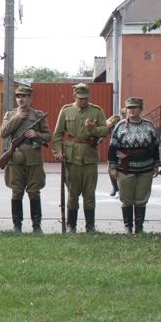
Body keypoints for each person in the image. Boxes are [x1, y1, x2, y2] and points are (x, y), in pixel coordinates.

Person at [52, 82, 110, 233]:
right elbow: (58, 134)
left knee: (89, 193)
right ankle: (71, 226)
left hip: (89, 157)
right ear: (75, 96)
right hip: (71, 158)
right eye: (80, 98)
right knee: (72, 193)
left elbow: (105, 130)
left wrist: (93, 129)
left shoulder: (97, 111)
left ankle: (90, 226)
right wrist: (57, 151)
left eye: (85, 98)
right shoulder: (66, 111)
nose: (83, 101)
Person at [0, 83, 51, 233]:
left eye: (24, 96)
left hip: (34, 159)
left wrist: (37, 135)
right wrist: (17, 118)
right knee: (16, 192)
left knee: (34, 192)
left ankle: (36, 226)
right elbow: (3, 133)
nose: (20, 99)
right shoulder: (10, 115)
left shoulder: (38, 115)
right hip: (15, 159)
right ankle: (17, 225)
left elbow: (48, 136)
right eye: (18, 96)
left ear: (30, 98)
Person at [107, 97, 161, 233]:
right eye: (129, 108)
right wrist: (112, 167)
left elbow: (155, 147)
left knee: (141, 198)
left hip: (146, 167)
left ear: (141, 109)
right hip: (126, 168)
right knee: (126, 198)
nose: (132, 110)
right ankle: (128, 227)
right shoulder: (120, 126)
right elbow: (113, 148)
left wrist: (156, 165)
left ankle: (139, 227)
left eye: (135, 107)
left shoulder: (149, 125)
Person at [105, 109, 127, 196]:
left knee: (124, 168)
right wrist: (108, 124)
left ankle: (123, 189)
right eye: (122, 114)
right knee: (110, 168)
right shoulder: (116, 119)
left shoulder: (131, 122)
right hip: (114, 147)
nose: (124, 116)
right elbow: (105, 122)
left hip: (125, 148)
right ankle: (115, 187)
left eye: (125, 114)